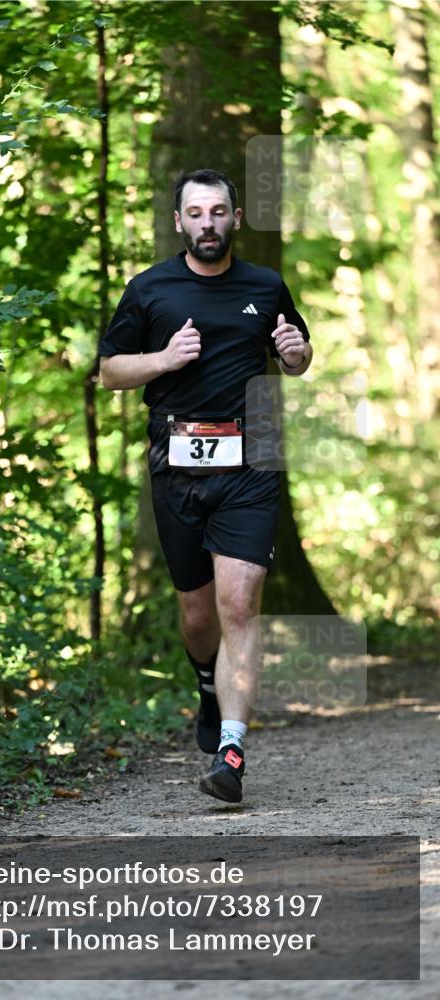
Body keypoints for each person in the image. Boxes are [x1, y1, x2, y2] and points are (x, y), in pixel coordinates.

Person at [99, 168, 313, 804]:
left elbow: (298, 357)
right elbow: (110, 370)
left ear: (236, 219)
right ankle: (204, 680)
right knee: (198, 613)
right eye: (196, 213)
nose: (208, 223)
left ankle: (232, 750)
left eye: (219, 212)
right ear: (179, 222)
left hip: (252, 466)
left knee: (240, 606)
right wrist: (164, 360)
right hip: (179, 467)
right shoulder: (150, 289)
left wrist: (296, 350)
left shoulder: (265, 286)